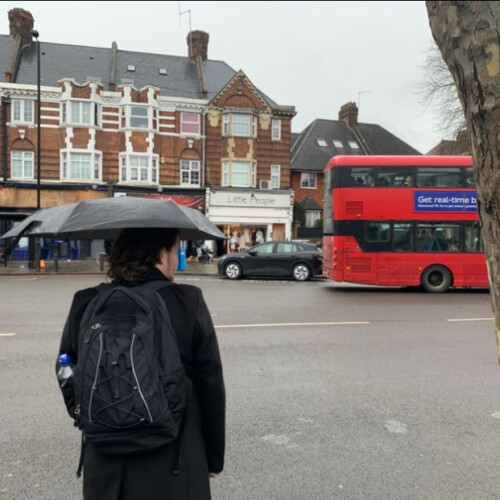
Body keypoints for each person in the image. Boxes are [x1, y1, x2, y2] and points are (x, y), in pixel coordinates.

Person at [56, 228, 226, 500]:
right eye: (175, 251)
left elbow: (66, 368)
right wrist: (213, 457)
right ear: (160, 254)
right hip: (175, 458)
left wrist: (85, 413)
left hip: (105, 461)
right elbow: (210, 384)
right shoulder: (187, 300)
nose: (176, 259)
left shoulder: (86, 300)